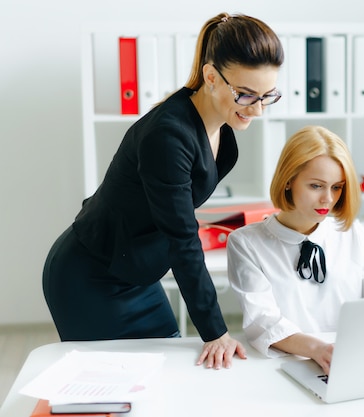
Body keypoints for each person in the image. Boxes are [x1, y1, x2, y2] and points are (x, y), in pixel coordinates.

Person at [42, 12, 284, 370]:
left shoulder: (223, 132)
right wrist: (215, 330)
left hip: (137, 272)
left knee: (166, 376)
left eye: (268, 96)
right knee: (109, 387)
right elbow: (182, 236)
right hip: (91, 275)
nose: (259, 110)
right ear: (211, 77)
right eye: (246, 95)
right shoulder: (168, 135)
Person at [227, 126, 364, 375]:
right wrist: (319, 350)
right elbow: (262, 321)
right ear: (288, 181)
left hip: (348, 361)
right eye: (316, 186)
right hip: (285, 366)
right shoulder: (246, 243)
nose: (328, 199)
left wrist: (349, 349)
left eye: (337, 187)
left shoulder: (350, 233)